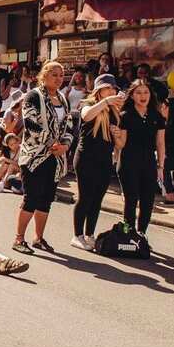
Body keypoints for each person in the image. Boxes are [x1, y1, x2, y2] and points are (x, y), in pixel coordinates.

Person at [11, 62, 72, 255]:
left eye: (61, 75)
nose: (58, 78)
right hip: (34, 156)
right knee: (31, 198)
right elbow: (31, 123)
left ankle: (38, 238)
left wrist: (65, 145)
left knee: (46, 199)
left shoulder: (63, 99)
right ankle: (19, 239)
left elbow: (69, 126)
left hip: (55, 157)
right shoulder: (33, 96)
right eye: (54, 74)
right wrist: (51, 142)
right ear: (44, 76)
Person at [72, 74, 123, 251]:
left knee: (97, 199)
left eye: (113, 88)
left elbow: (120, 143)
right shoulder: (89, 104)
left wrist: (117, 135)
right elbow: (86, 116)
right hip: (86, 157)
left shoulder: (115, 111)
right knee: (85, 197)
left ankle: (90, 234)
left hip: (104, 159)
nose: (112, 91)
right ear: (99, 90)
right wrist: (106, 102)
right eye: (108, 88)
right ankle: (77, 235)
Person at [114, 78, 166, 236]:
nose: (143, 96)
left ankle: (141, 234)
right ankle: (127, 233)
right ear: (132, 96)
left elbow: (160, 142)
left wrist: (161, 166)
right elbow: (121, 144)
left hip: (149, 161)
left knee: (148, 201)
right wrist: (115, 135)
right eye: (138, 93)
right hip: (129, 161)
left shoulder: (156, 115)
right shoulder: (125, 115)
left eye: (146, 92)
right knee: (131, 200)